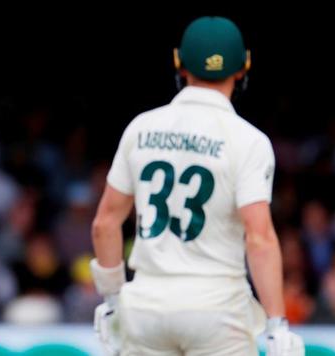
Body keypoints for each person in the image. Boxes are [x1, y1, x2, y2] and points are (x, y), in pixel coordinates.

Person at [90, 17, 304, 356]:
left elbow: (105, 223)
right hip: (217, 307)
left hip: (147, 305)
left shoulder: (141, 128)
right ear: (242, 67)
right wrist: (277, 324)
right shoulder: (249, 140)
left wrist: (114, 299)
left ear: (180, 63)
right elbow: (260, 238)